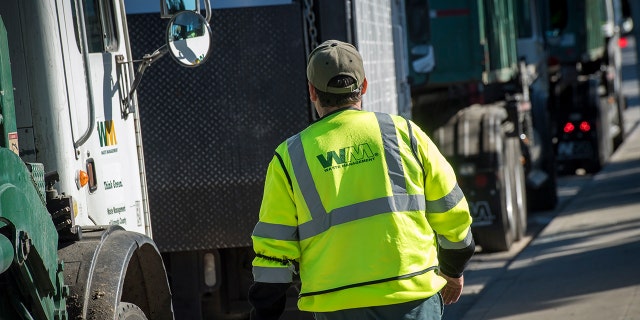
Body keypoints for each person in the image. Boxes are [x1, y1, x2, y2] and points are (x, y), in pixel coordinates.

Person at [249, 40, 475, 320]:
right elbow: (453, 212)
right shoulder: (405, 134)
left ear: (311, 92)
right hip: (411, 298)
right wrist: (453, 269)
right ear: (364, 86)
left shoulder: (289, 157)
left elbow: (274, 247)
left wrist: (265, 311)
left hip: (337, 306)